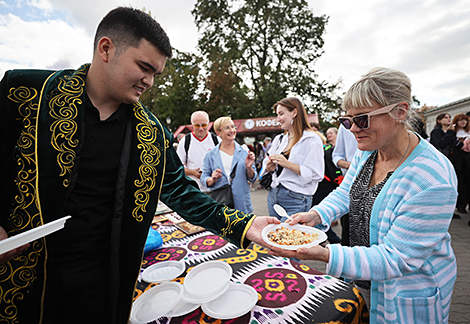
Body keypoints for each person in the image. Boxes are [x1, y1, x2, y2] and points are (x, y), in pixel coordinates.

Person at [0, 7, 275, 323]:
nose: (149, 82)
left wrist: (244, 224)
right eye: (144, 67)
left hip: (103, 284)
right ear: (106, 49)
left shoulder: (153, 133)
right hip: (21, 280)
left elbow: (181, 192)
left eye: (156, 74)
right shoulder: (25, 93)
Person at [269, 67, 457, 323]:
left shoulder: (432, 178)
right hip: (363, 277)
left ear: (400, 112)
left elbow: (395, 258)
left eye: (362, 119)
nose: (352, 129)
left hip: (404, 291)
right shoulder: (369, 150)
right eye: (347, 121)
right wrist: (315, 214)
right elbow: (348, 190)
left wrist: (325, 254)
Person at [260, 97, 324, 221]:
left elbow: (317, 174)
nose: (278, 119)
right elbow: (265, 163)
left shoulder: (312, 139)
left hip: (297, 198)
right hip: (274, 195)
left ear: (294, 113)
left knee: (290, 237)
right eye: (277, 115)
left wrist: (287, 164)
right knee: (276, 236)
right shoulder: (279, 139)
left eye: (281, 114)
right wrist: (268, 166)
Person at [201, 117, 257, 213]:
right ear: (218, 133)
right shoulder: (210, 155)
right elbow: (204, 178)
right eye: (227, 128)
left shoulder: (244, 151)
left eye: (233, 127)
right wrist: (212, 179)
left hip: (242, 204)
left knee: (243, 227)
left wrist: (249, 168)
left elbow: (253, 178)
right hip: (221, 203)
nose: (232, 130)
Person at [176, 111, 219, 192]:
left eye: (203, 125)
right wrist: (192, 172)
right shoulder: (185, 141)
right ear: (191, 124)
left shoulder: (216, 140)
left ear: (208, 123)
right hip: (194, 190)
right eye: (197, 125)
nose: (200, 128)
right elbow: (178, 166)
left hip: (214, 190)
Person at [312, 127, 342, 244]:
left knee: (318, 210)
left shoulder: (333, 149)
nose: (329, 135)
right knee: (317, 211)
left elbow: (333, 168)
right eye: (327, 133)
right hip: (322, 185)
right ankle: (326, 238)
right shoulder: (325, 149)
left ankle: (331, 239)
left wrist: (337, 179)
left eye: (331, 133)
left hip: (329, 185)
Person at [332, 123, 358, 245]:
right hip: (351, 183)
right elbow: (337, 155)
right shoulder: (344, 127)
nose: (352, 128)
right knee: (347, 233)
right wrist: (351, 166)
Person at [440, 113, 470, 214]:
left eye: (465, 120)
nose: (463, 122)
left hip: (464, 159)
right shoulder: (452, 132)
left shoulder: (467, 131)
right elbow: (445, 145)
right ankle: (460, 205)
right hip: (457, 160)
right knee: (460, 182)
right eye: (460, 120)